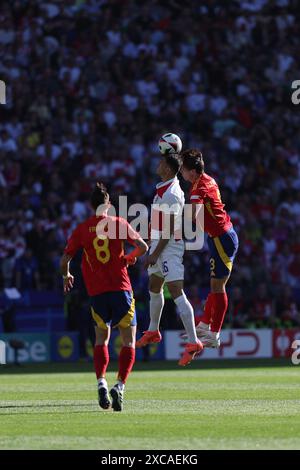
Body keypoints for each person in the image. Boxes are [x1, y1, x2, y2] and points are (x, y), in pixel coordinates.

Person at [60, 182, 148, 411]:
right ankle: (119, 386)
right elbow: (143, 247)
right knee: (128, 341)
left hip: (97, 293)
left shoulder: (82, 229)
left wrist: (66, 275)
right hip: (121, 290)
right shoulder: (118, 224)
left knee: (101, 339)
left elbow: (64, 259)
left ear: (91, 206)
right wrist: (129, 258)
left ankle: (101, 382)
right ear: (108, 205)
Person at [136, 154, 203, 366]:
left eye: (160, 162)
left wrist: (155, 254)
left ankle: (193, 342)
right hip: (158, 243)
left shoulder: (173, 194)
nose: (157, 164)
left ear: (167, 167)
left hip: (170, 246)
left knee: (175, 290)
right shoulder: (162, 188)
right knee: (154, 286)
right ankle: (154, 330)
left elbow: (171, 227)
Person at [180, 149, 239, 347]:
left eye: (183, 170)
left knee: (218, 286)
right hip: (218, 237)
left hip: (223, 238)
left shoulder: (199, 189)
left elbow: (192, 217)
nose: (181, 173)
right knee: (215, 284)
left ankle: (214, 333)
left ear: (193, 172)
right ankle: (205, 325)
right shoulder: (205, 180)